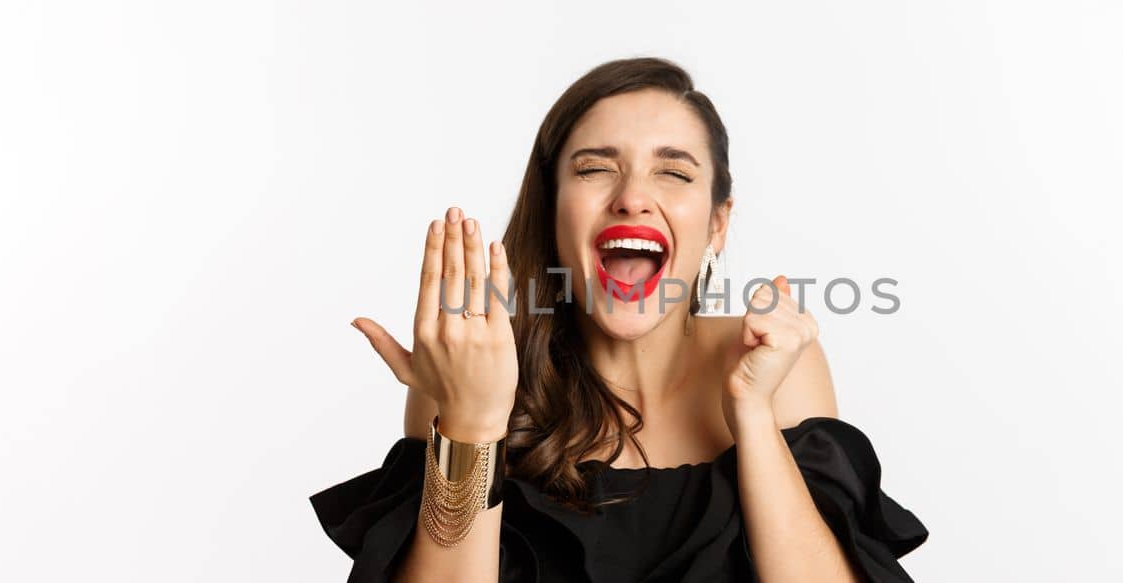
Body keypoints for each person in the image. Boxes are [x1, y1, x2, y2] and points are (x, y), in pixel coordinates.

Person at [310, 57, 926, 582]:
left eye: (674, 172)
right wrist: (472, 422)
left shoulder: (772, 365)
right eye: (595, 167)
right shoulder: (469, 368)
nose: (632, 195)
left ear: (717, 223)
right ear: (552, 209)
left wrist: (752, 414)